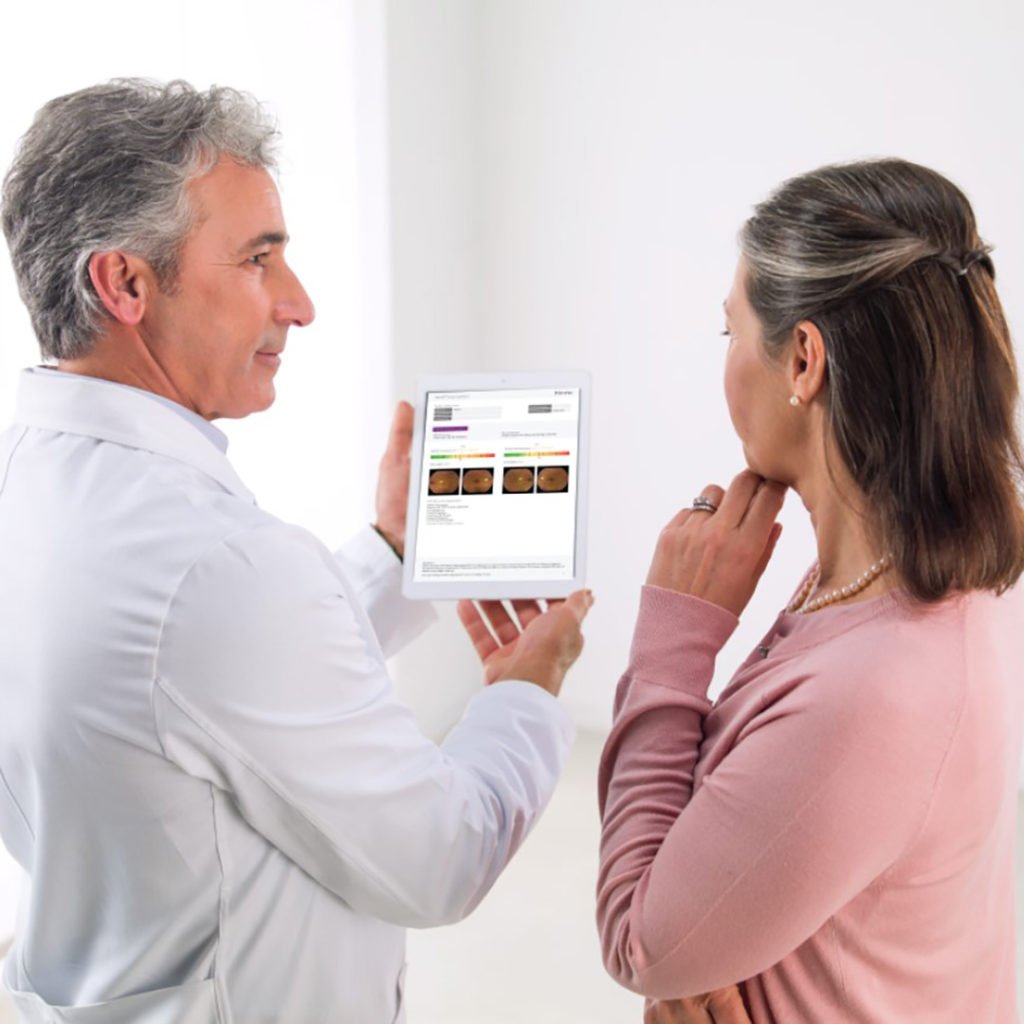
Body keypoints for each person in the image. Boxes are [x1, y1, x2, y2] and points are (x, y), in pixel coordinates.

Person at [0, 79, 592, 1023]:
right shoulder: (216, 568)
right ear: (125, 285)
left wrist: (393, 551)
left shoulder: (32, 482)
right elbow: (443, 857)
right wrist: (526, 688)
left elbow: (189, 682)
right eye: (257, 258)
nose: (300, 303)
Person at [596, 159, 1024, 1022]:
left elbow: (640, 941)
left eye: (730, 332)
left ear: (803, 360)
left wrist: (674, 637)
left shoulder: (873, 690)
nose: (725, 361)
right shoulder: (930, 572)